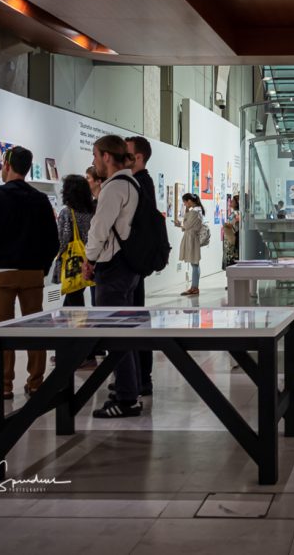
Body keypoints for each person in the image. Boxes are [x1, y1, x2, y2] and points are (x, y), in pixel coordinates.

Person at [0, 146, 58, 399]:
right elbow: (52, 241)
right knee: (35, 329)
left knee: (2, 330)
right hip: (32, 274)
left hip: (0, 274)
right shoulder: (40, 200)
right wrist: (42, 267)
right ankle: (36, 383)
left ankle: (3, 385)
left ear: (7, 166)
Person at [83, 135, 143, 418]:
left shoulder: (114, 187)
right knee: (124, 333)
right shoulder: (132, 182)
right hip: (127, 267)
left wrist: (89, 259)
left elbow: (99, 229)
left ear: (107, 156)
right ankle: (129, 389)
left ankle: (127, 398)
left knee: (116, 334)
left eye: (95, 155)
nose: (94, 161)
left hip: (112, 267)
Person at [125, 136, 158, 396]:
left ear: (138, 158)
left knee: (132, 321)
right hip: (136, 264)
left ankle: (139, 378)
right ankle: (139, 377)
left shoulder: (139, 183)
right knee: (134, 319)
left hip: (132, 264)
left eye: (125, 154)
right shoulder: (141, 183)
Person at [53, 175, 95, 308]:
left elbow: (63, 239)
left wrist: (57, 255)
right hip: (90, 260)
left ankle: (79, 327)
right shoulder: (92, 211)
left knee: (74, 300)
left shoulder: (67, 213)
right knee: (73, 299)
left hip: (74, 263)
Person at [178, 193, 204, 296]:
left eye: (185, 202)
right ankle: (194, 286)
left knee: (194, 263)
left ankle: (194, 287)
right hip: (192, 237)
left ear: (189, 201)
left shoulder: (194, 212)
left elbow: (186, 225)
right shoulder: (197, 211)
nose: (184, 205)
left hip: (191, 239)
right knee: (195, 263)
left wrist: (185, 215)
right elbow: (186, 226)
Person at [223, 194, 240, 269]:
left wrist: (227, 224)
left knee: (231, 256)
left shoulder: (236, 213)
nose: (231, 203)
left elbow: (232, 225)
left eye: (232, 201)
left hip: (231, 238)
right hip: (230, 237)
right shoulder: (236, 213)